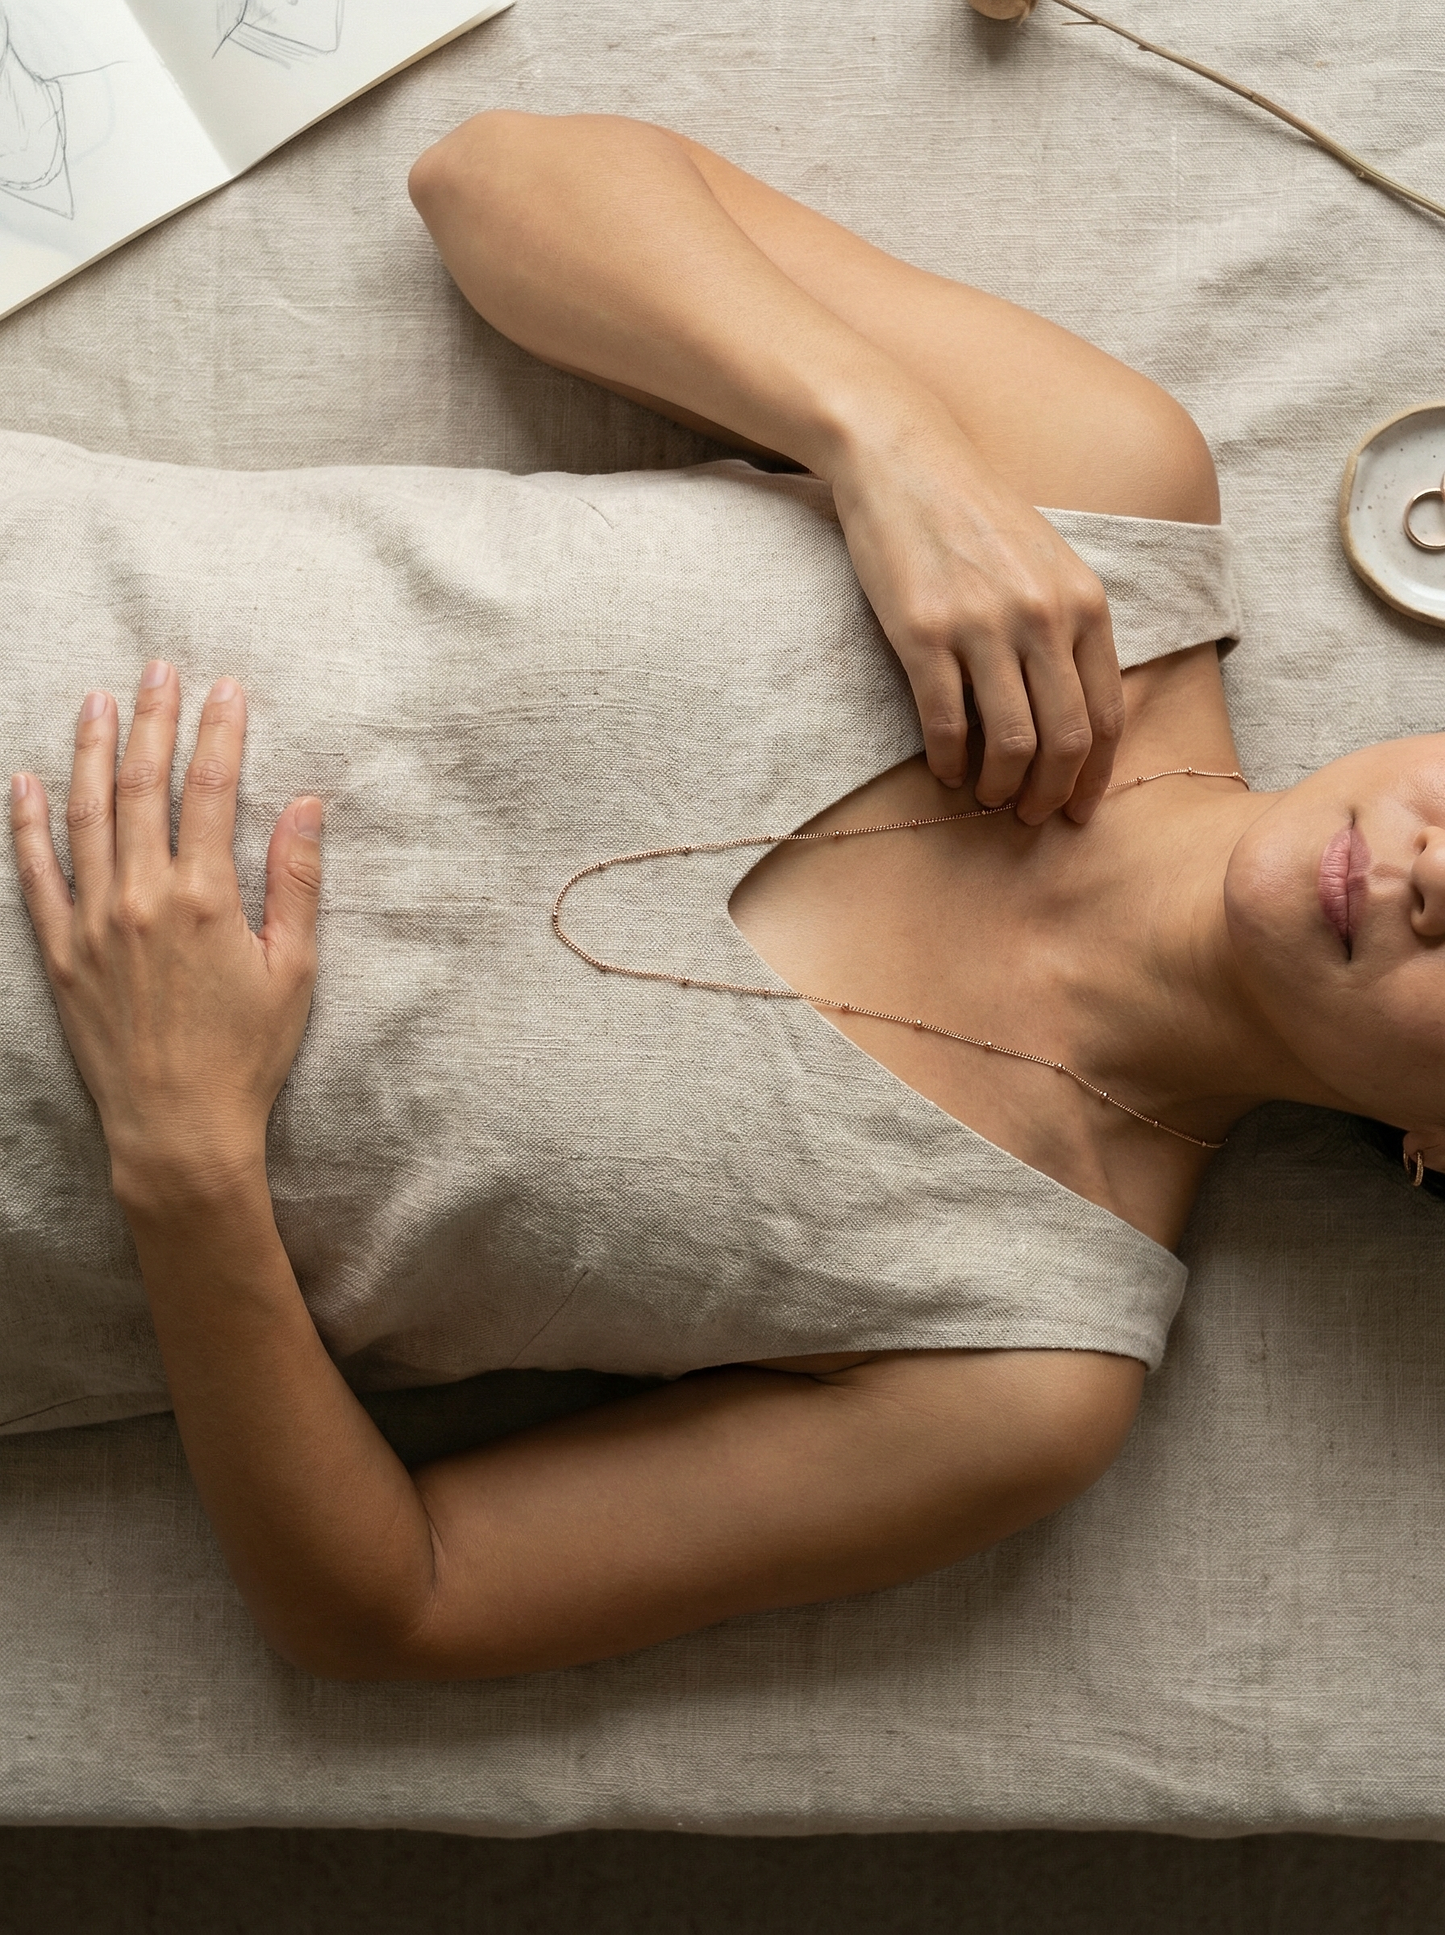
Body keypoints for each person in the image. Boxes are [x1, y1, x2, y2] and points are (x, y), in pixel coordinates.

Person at [10, 113, 1445, 1683]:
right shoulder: (1107, 500)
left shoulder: (1022, 1361)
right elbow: (490, 181)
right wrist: (883, 444)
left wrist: (186, 1157)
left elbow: (393, 1600)